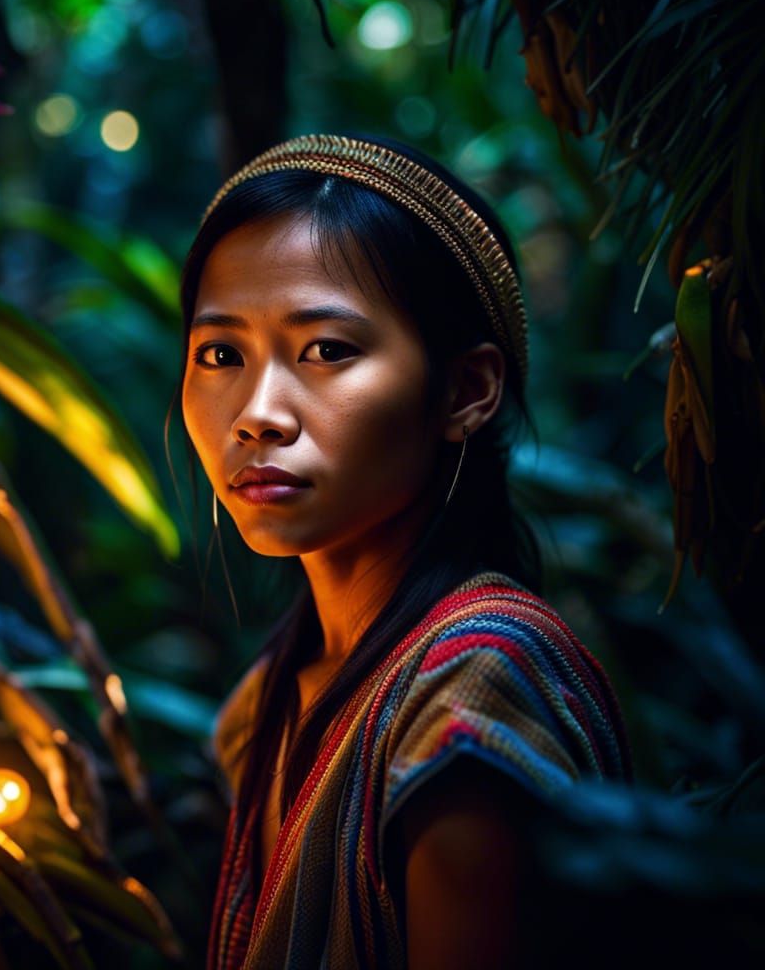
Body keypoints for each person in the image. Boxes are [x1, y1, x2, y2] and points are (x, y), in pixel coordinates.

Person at [178, 134, 630, 969]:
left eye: (326, 350)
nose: (257, 413)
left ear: (467, 391)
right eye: (220, 354)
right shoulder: (266, 705)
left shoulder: (477, 691)